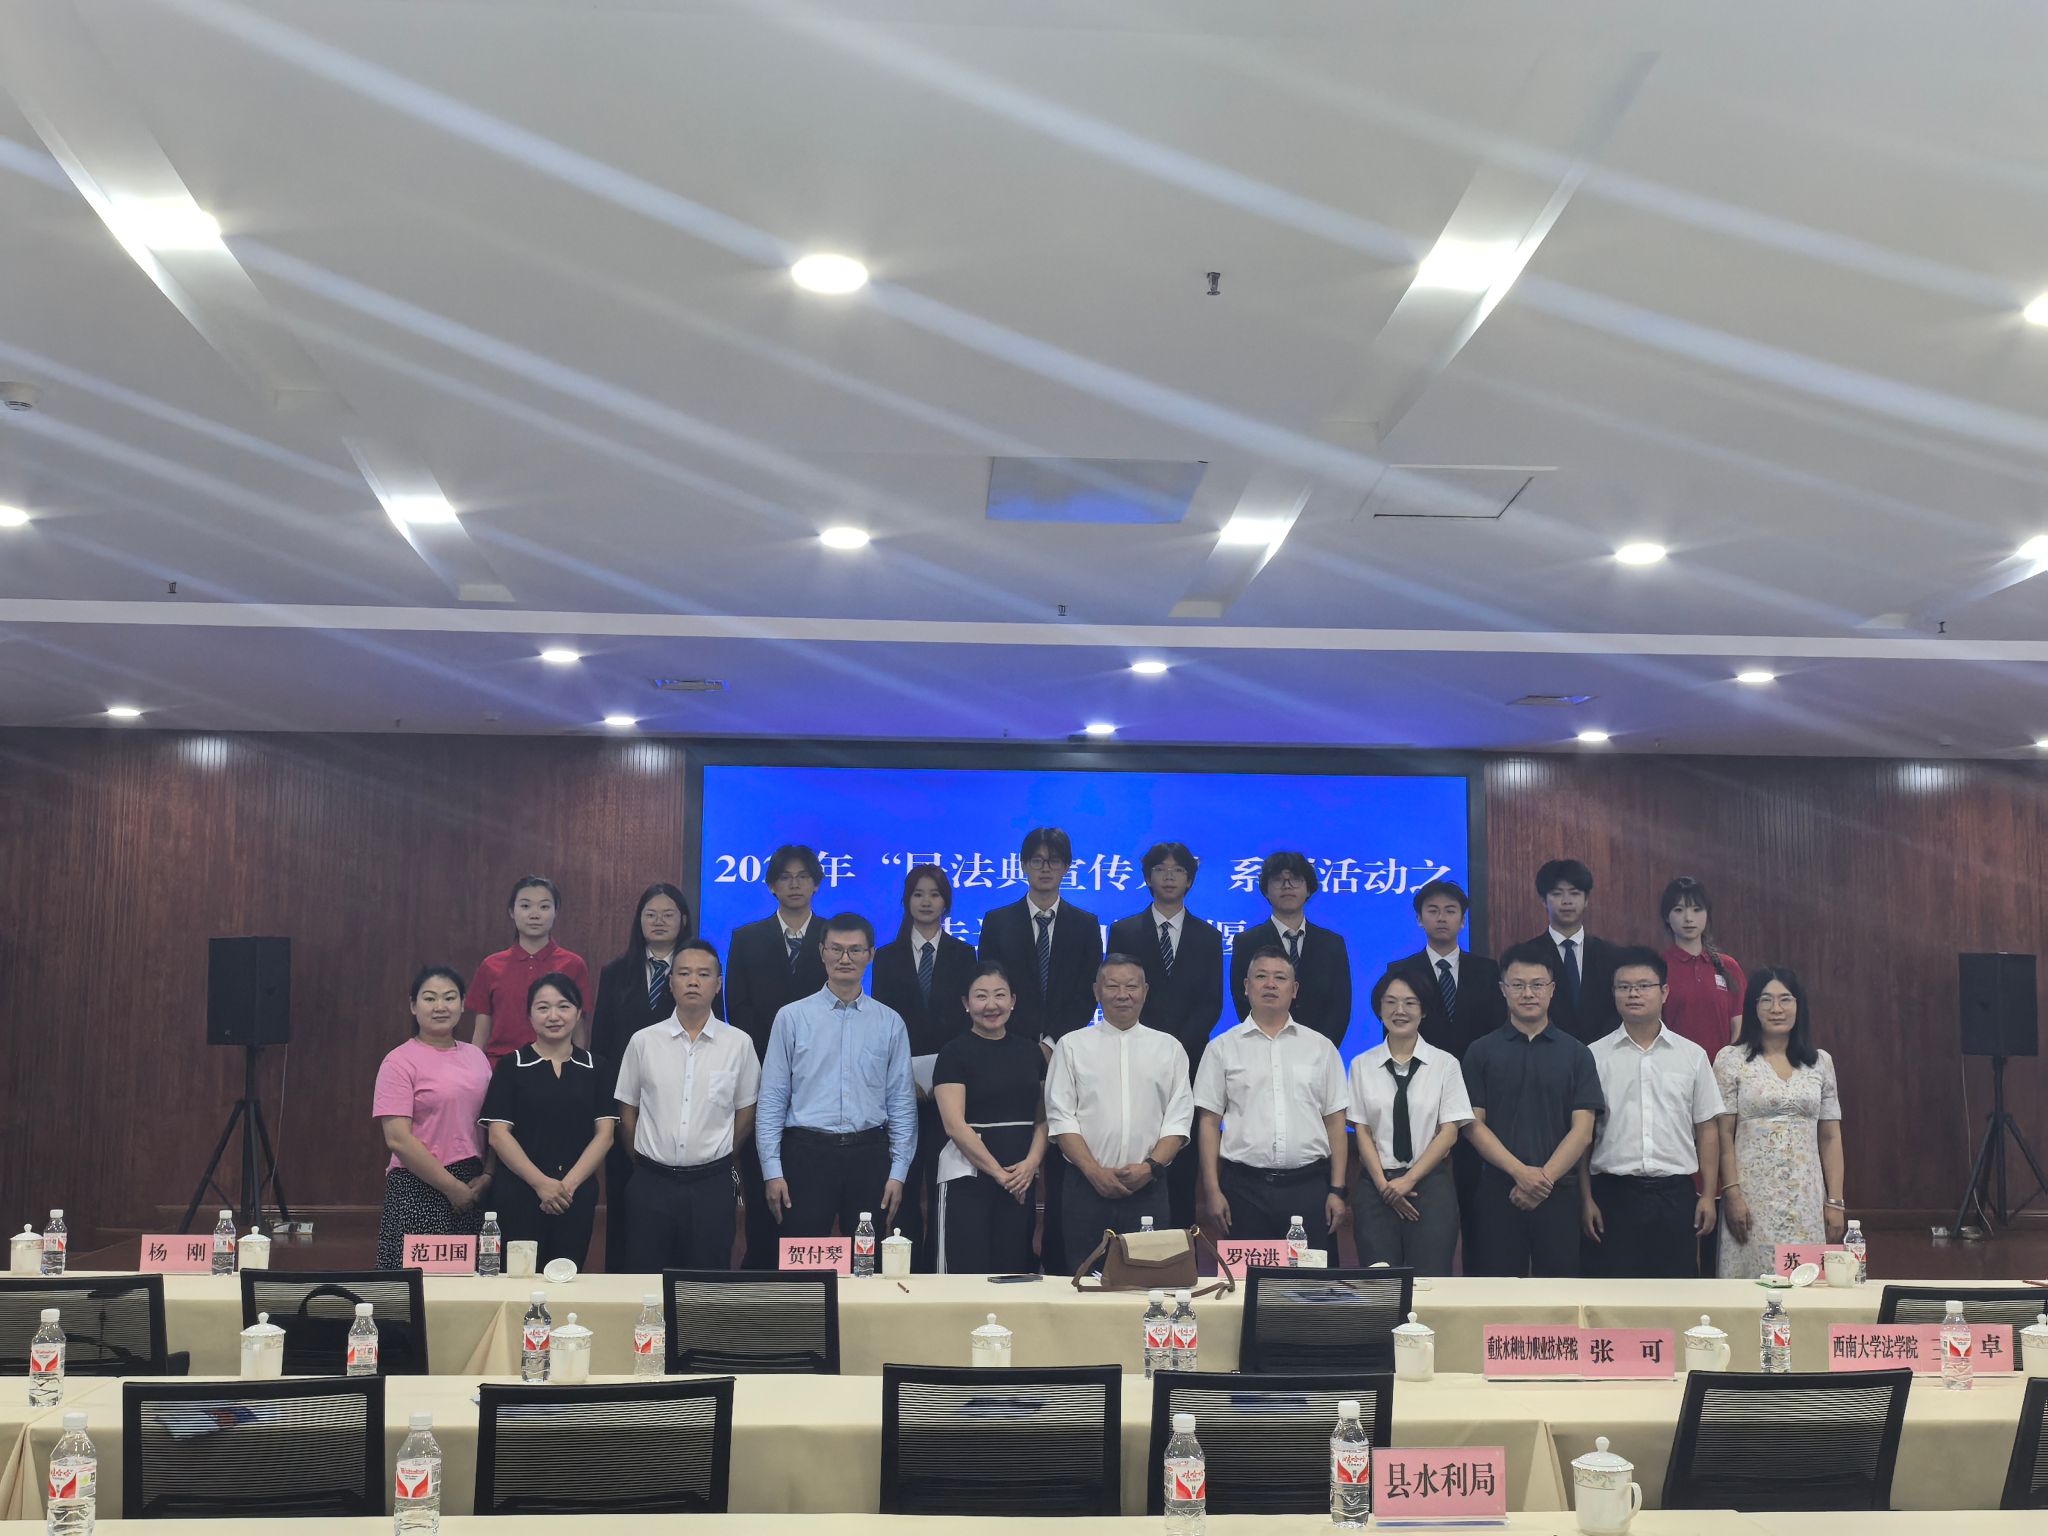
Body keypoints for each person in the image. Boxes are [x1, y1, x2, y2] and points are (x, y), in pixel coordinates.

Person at [978, 828, 1104, 1273]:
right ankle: (1016, 1255)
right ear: (1023, 865)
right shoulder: (998, 921)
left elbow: (1088, 992)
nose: (1045, 868)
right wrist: (1028, 1045)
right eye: (1037, 860)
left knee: (1065, 1155)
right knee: (1020, 1151)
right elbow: (992, 987)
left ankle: (1060, 1260)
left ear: (1067, 867)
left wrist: (1052, 1043)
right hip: (1011, 1053)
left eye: (1054, 860)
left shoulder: (1085, 924)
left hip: (1068, 1053)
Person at [756, 913, 917, 1241]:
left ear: (871, 955)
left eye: (856, 950)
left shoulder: (890, 1022)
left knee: (866, 1261)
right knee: (805, 1259)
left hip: (869, 1155)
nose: (845, 959)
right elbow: (772, 1098)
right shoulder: (792, 1017)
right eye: (836, 949)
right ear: (821, 952)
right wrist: (772, 1170)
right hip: (806, 1154)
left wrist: (898, 1172)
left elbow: (901, 1102)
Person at [613, 940, 760, 1272]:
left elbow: (746, 1111)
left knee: (706, 1284)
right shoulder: (643, 1041)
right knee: (645, 1278)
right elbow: (627, 1108)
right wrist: (642, 1158)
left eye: (703, 974)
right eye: (684, 973)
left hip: (712, 1185)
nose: (693, 981)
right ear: (670, 982)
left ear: (718, 984)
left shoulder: (738, 1044)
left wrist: (722, 1154)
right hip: (651, 1183)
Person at [1461, 942, 1604, 1277]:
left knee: (1559, 1294)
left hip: (1559, 1191)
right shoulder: (1480, 1052)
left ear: (1552, 990)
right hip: (1499, 1190)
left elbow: (1583, 1131)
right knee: (1498, 1292)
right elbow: (1472, 1125)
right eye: (1518, 985)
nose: (1528, 993)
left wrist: (1544, 1179)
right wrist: (1521, 1174)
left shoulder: (1577, 1053)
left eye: (1537, 984)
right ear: (1503, 989)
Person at [1577, 949, 1721, 1278]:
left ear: (1664, 992)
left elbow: (1707, 1129)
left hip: (1675, 1195)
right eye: (1624, 987)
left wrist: (1708, 1195)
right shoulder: (1593, 1056)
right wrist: (1585, 1198)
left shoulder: (1692, 1056)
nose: (1634, 994)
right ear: (1613, 993)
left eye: (1643, 986)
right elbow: (1584, 1136)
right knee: (1611, 1293)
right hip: (1612, 1195)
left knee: (1676, 1293)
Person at [1044, 955, 1193, 1263]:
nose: (1122, 995)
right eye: (1112, 986)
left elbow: (1178, 1122)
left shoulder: (1169, 1048)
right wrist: (1094, 1171)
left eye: (1131, 987)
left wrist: (1149, 1168)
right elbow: (1061, 1118)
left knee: (1148, 1278)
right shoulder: (1071, 1046)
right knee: (1086, 1279)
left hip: (1149, 1186)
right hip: (1086, 1187)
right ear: (1097, 991)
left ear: (1145, 991)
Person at [1196, 945, 1350, 1244]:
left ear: (1294, 990)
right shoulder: (1221, 1048)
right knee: (1247, 1274)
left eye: (1280, 978)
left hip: (1309, 1188)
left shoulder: (1321, 1047)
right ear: (1246, 986)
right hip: (1243, 1189)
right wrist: (1212, 1191)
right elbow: (1209, 1123)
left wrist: (1337, 1190)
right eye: (1261, 976)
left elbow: (1335, 1121)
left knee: (1311, 1275)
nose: (1270, 984)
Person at [1106, 842, 1224, 1228]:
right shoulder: (1124, 931)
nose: (1169, 877)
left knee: (1182, 1156)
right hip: (1134, 1058)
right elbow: (1119, 993)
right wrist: (1149, 1045)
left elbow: (1211, 1003)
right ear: (1148, 877)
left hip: (1189, 1063)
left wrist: (1175, 1049)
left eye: (1178, 870)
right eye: (1160, 869)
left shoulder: (1208, 937)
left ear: (1190, 879)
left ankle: (1180, 1245)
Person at [724, 845, 830, 1269]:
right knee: (760, 1180)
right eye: (785, 877)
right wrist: (772, 1063)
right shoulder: (746, 938)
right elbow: (738, 1009)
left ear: (816, 883)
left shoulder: (833, 938)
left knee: (811, 1191)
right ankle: (761, 1269)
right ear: (771, 886)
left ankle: (808, 1279)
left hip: (819, 1081)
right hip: (762, 1075)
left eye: (803, 876)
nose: (794, 884)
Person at [1389, 877, 1501, 1266]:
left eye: (1450, 911)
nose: (1441, 918)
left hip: (1476, 1100)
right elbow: (1395, 1036)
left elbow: (1495, 1036)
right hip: (1418, 1099)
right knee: (1425, 1206)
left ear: (1463, 920)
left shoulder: (1487, 971)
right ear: (1419, 918)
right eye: (1432, 911)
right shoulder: (1401, 971)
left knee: (1477, 1207)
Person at [871, 865, 978, 1272]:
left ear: (946, 902)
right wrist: (905, 1078)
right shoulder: (886, 957)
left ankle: (939, 1267)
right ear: (906, 901)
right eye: (918, 894)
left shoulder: (964, 954)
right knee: (904, 1178)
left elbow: (968, 1023)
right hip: (901, 1088)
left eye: (934, 894)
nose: (926, 902)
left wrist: (945, 1079)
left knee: (942, 1181)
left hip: (950, 1088)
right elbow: (884, 1024)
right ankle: (903, 1267)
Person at [480, 974, 619, 1269]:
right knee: (517, 1281)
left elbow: (605, 1135)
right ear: (529, 1015)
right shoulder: (512, 1065)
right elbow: (498, 1135)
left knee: (566, 1280)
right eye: (543, 1008)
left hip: (575, 1195)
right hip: (519, 1192)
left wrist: (565, 1187)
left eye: (563, 1006)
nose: (553, 1016)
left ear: (578, 1013)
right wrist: (541, 1184)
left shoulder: (597, 1067)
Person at [1715, 967, 1846, 1279]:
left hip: (1806, 1197)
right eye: (1766, 1000)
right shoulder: (1731, 1059)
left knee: (1805, 1284)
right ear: (1753, 1007)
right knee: (1751, 1285)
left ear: (1799, 1006)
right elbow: (1723, 1134)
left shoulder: (1820, 1062)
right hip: (1751, 1198)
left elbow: (1830, 1136)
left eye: (1785, 999)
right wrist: (1732, 1194)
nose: (1776, 1009)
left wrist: (1835, 1201)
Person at [591, 882, 691, 1272]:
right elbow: (601, 1045)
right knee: (625, 1200)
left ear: (683, 920)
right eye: (651, 914)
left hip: (681, 1104)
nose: (659, 921)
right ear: (639, 921)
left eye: (668, 914)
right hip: (625, 1104)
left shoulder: (697, 971)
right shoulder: (615, 972)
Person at [1348, 969, 1472, 1274]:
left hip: (1430, 1186)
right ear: (1379, 1009)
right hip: (1376, 1188)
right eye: (1390, 1002)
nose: (1399, 1011)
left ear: (1424, 1010)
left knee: (1432, 1282)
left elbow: (1449, 1133)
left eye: (1410, 1003)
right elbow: (1362, 1130)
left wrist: (1409, 1180)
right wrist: (1385, 1186)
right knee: (1380, 1286)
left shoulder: (1445, 1064)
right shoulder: (1361, 1065)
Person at [372, 966, 495, 1269]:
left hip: (473, 1185)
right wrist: (450, 1187)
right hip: (418, 1184)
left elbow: (492, 1123)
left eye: (449, 998)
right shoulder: (398, 1061)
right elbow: (398, 1139)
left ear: (463, 1004)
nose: (440, 1006)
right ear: (413, 1005)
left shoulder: (476, 1057)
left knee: (469, 1284)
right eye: (429, 998)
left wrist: (488, 1176)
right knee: (416, 1284)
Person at [933, 963, 1047, 1273]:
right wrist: (999, 1173)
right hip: (967, 1181)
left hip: (1020, 1181)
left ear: (1013, 1000)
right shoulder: (953, 1053)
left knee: (1014, 1273)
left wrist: (1031, 1164)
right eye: (981, 996)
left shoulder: (1031, 1052)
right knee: (964, 1277)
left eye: (1000, 995)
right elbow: (954, 1125)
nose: (991, 1005)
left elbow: (1043, 1119)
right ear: (966, 1003)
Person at [1228, 851, 1352, 1049]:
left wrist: (1319, 1050)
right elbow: (1243, 1000)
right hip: (1263, 1050)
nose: (1287, 886)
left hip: (1318, 1054)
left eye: (1295, 879)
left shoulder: (1332, 944)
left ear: (1308, 889)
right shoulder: (1247, 942)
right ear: (1266, 891)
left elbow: (1340, 1007)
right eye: (1278, 880)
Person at [468, 876, 591, 1062]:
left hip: (557, 1066)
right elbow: (481, 1032)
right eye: (525, 906)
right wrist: (474, 1069)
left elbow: (579, 1029)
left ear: (556, 911)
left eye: (544, 907)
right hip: (501, 1065)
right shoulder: (491, 966)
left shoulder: (573, 965)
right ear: (512, 911)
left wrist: (578, 1069)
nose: (535, 915)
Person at [1522, 859, 1620, 1044]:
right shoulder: (1527, 956)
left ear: (1586, 900)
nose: (1566, 901)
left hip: (1603, 1053)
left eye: (1574, 893)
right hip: (1545, 1051)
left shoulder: (1611, 955)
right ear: (1543, 900)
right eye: (1557, 893)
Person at [1658, 876, 1746, 1056]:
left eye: (1697, 909)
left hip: (1723, 1068)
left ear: (1707, 914)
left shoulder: (1729, 966)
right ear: (1667, 916)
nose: (1688, 918)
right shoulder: (1658, 968)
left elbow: (1740, 1026)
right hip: (1675, 1066)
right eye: (1679, 910)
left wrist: (1728, 1064)